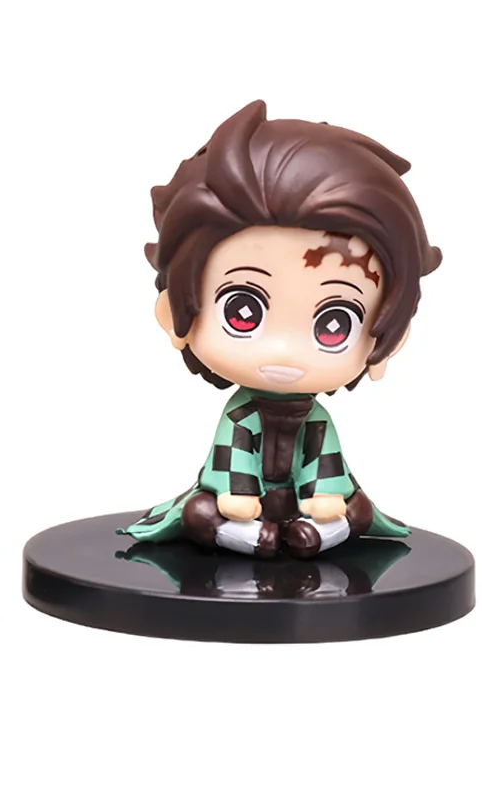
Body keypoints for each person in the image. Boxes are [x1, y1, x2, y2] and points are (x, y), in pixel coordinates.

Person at [121, 100, 440, 558]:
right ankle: (251, 538)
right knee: (201, 513)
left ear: (389, 340)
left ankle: (321, 534)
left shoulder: (316, 420)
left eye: (334, 324)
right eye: (243, 311)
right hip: (242, 508)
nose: (284, 351)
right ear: (174, 314)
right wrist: (239, 498)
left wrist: (324, 498)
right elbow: (231, 464)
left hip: (304, 507)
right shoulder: (240, 417)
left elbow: (325, 467)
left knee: (352, 509)